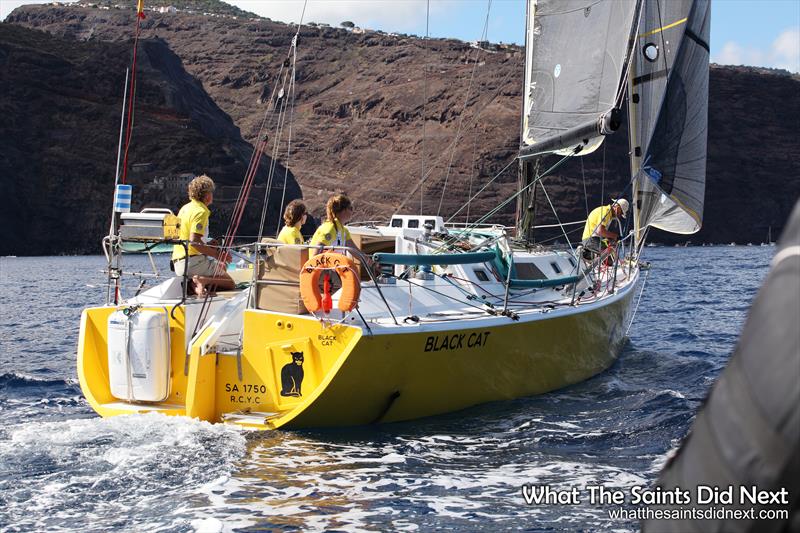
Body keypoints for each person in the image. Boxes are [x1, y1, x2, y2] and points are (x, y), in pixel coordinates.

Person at [171, 174, 235, 295]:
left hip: (179, 263)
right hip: (192, 263)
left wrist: (207, 242)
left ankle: (195, 285)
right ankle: (203, 280)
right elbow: (194, 242)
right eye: (211, 192)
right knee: (230, 283)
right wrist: (218, 255)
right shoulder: (201, 211)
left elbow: (187, 236)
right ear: (207, 195)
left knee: (220, 268)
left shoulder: (185, 208)